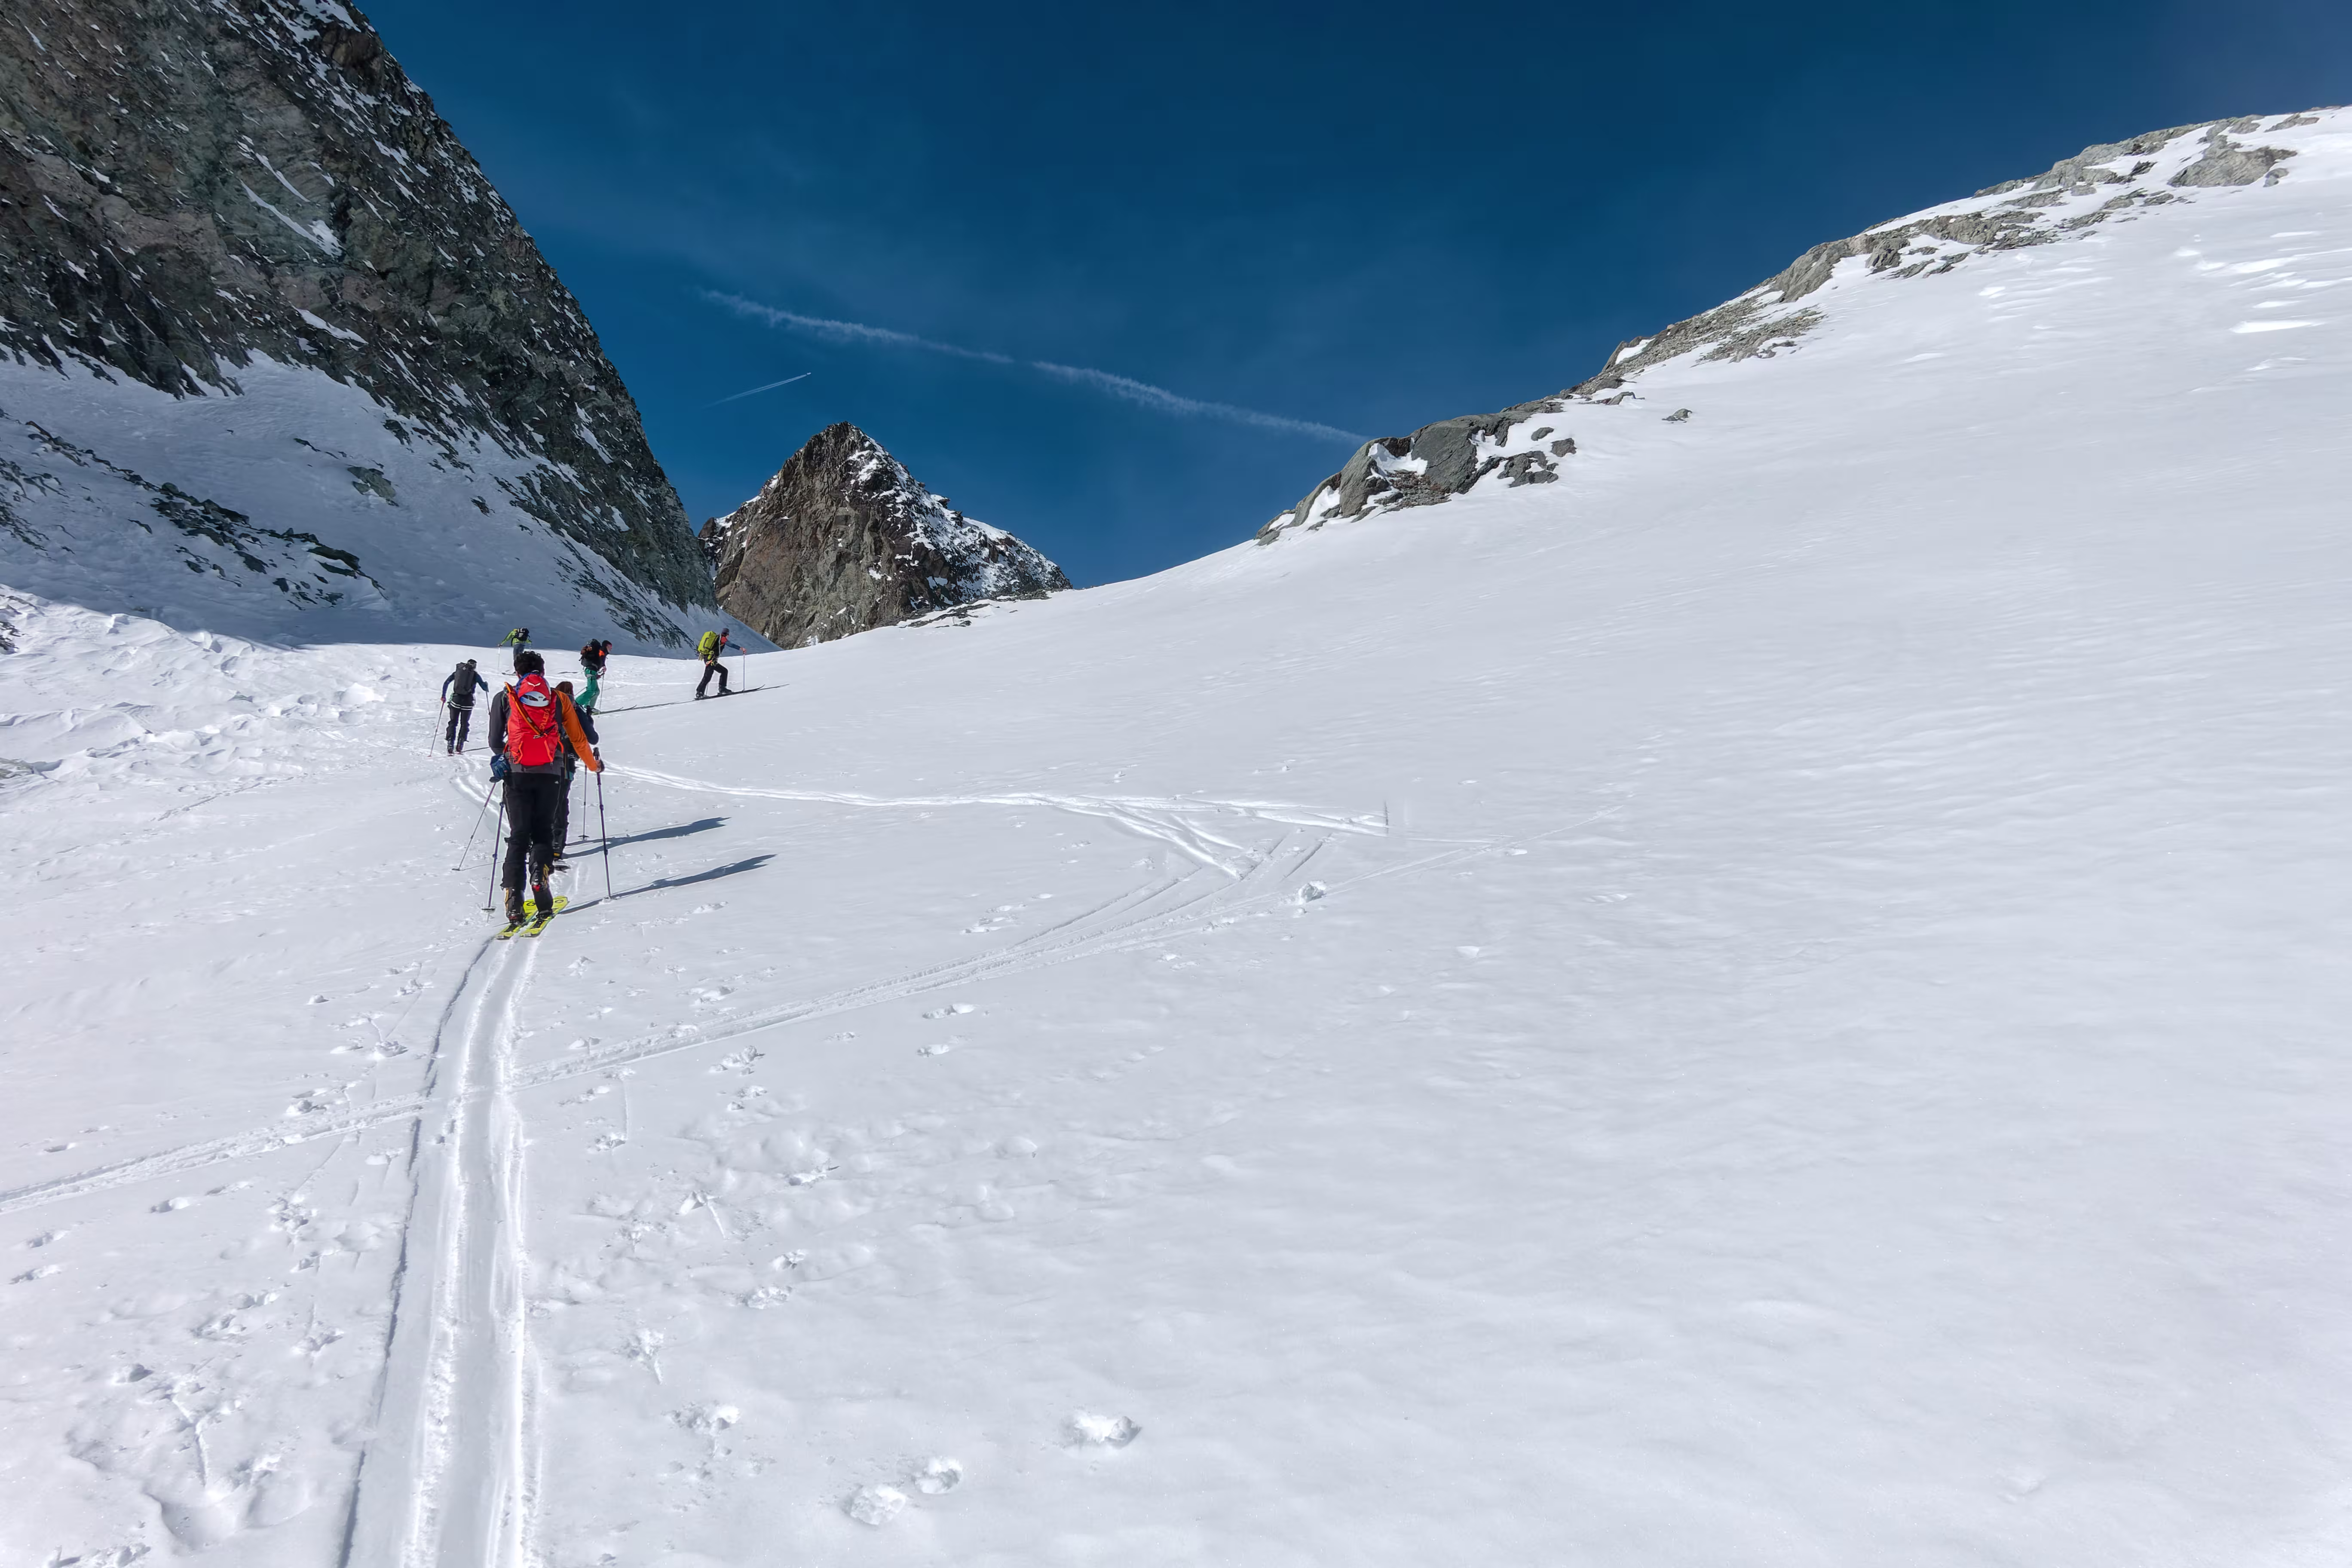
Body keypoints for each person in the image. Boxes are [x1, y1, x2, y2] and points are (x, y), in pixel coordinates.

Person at [487, 651, 602, 925]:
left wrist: (507, 755)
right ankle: (540, 880)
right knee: (542, 833)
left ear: (517, 673)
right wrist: (593, 766)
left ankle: (513, 900)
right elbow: (578, 738)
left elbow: (494, 740)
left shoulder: (506, 697)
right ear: (543, 671)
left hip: (516, 773)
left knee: (518, 837)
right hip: (552, 773)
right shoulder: (559, 699)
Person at [550, 679, 600, 859]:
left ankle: (539, 840)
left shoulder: (548, 704)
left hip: (545, 758)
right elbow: (592, 738)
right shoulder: (576, 708)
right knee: (561, 800)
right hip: (568, 759)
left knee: (543, 800)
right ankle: (557, 843)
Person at [440, 658, 484, 753]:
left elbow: (446, 683)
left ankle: (451, 742)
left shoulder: (458, 672)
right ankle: (461, 742)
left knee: (453, 722)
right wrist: (486, 685)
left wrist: (444, 696)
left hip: (456, 700)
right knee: (465, 723)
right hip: (468, 702)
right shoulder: (476, 675)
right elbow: (484, 687)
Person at [695, 628, 732, 700]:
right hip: (711, 660)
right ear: (727, 635)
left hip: (710, 659)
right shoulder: (722, 639)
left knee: (724, 671)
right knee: (707, 676)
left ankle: (722, 689)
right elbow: (731, 644)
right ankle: (699, 692)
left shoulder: (718, 638)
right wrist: (741, 648)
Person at [578, 639, 610, 713]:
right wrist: (604, 666)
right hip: (591, 671)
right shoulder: (602, 650)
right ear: (608, 646)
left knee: (596, 691)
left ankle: (589, 707)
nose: (611, 649)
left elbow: (599, 660)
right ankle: (577, 704)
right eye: (610, 647)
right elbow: (601, 658)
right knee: (591, 690)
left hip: (592, 671)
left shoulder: (599, 651)